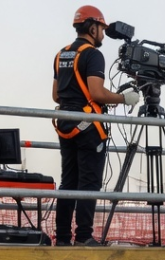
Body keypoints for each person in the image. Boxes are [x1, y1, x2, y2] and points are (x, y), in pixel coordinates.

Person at [52, 5, 139, 246]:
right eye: (101, 28)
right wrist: (123, 98)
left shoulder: (61, 54)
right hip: (88, 127)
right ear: (92, 28)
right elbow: (97, 93)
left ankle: (62, 238)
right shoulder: (92, 55)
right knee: (89, 183)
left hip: (66, 124)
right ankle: (83, 237)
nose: (102, 34)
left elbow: (56, 96)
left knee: (68, 182)